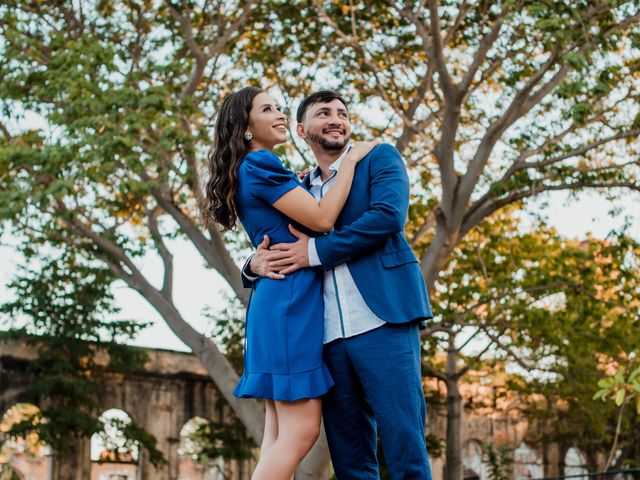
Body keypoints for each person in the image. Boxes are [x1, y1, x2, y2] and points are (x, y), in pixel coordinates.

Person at [244, 91, 434, 479]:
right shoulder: (298, 187)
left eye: (342, 114)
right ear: (301, 130)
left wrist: (314, 252)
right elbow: (272, 242)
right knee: (349, 457)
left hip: (384, 321)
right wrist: (250, 265)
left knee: (404, 443)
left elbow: (386, 219)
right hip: (324, 337)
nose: (336, 119)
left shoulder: (378, 157)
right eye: (323, 113)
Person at [202, 86, 378, 480]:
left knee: (278, 433)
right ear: (245, 127)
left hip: (276, 300)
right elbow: (320, 220)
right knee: (300, 432)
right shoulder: (261, 163)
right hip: (290, 302)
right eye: (267, 109)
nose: (279, 114)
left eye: (279, 107)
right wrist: (349, 163)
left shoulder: (254, 168)